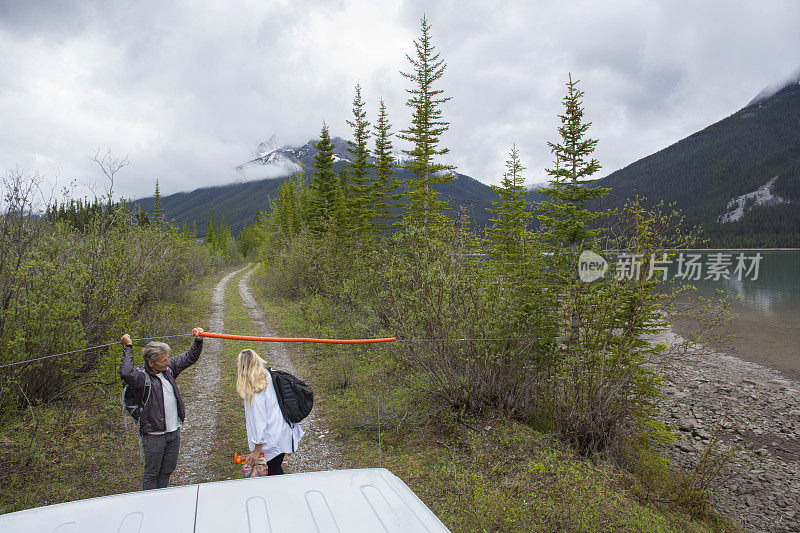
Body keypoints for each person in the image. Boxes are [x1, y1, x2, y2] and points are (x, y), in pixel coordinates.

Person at [119, 327, 204, 490]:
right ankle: (151, 505)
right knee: (152, 473)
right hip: (153, 436)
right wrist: (128, 347)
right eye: (163, 361)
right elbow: (126, 373)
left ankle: (162, 497)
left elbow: (189, 357)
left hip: (173, 432)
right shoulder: (140, 378)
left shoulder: (169, 370)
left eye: (167, 359)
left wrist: (198, 340)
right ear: (151, 362)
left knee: (167, 470)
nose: (167, 362)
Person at [236, 348, 303, 476]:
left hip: (272, 441)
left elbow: (259, 422)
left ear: (244, 367)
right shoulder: (268, 376)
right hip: (282, 434)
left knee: (272, 473)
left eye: (238, 363)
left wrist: (256, 450)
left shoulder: (254, 391)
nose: (236, 366)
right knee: (275, 470)